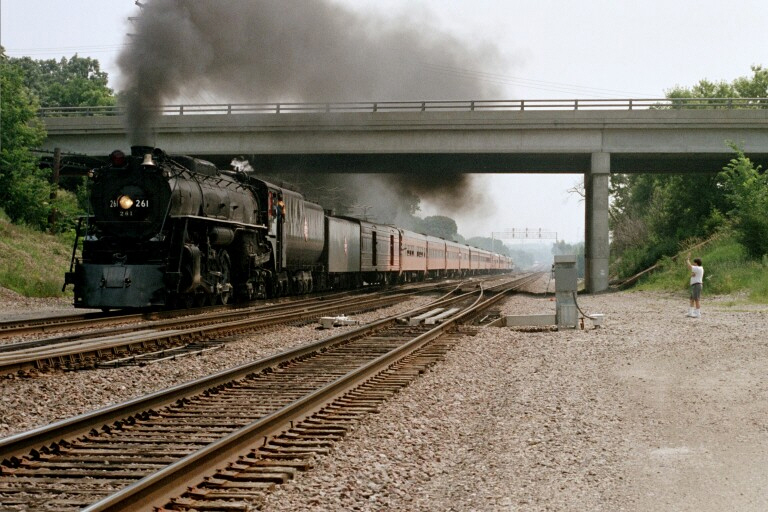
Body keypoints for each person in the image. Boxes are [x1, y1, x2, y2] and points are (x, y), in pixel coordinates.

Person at [686, 253, 704, 318]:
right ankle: (691, 312)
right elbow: (692, 271)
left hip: (697, 285)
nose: (693, 264)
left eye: (694, 263)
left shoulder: (698, 268)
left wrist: (687, 259)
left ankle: (698, 313)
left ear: (696, 263)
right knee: (692, 299)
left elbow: (689, 266)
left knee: (696, 299)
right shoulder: (698, 269)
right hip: (694, 285)